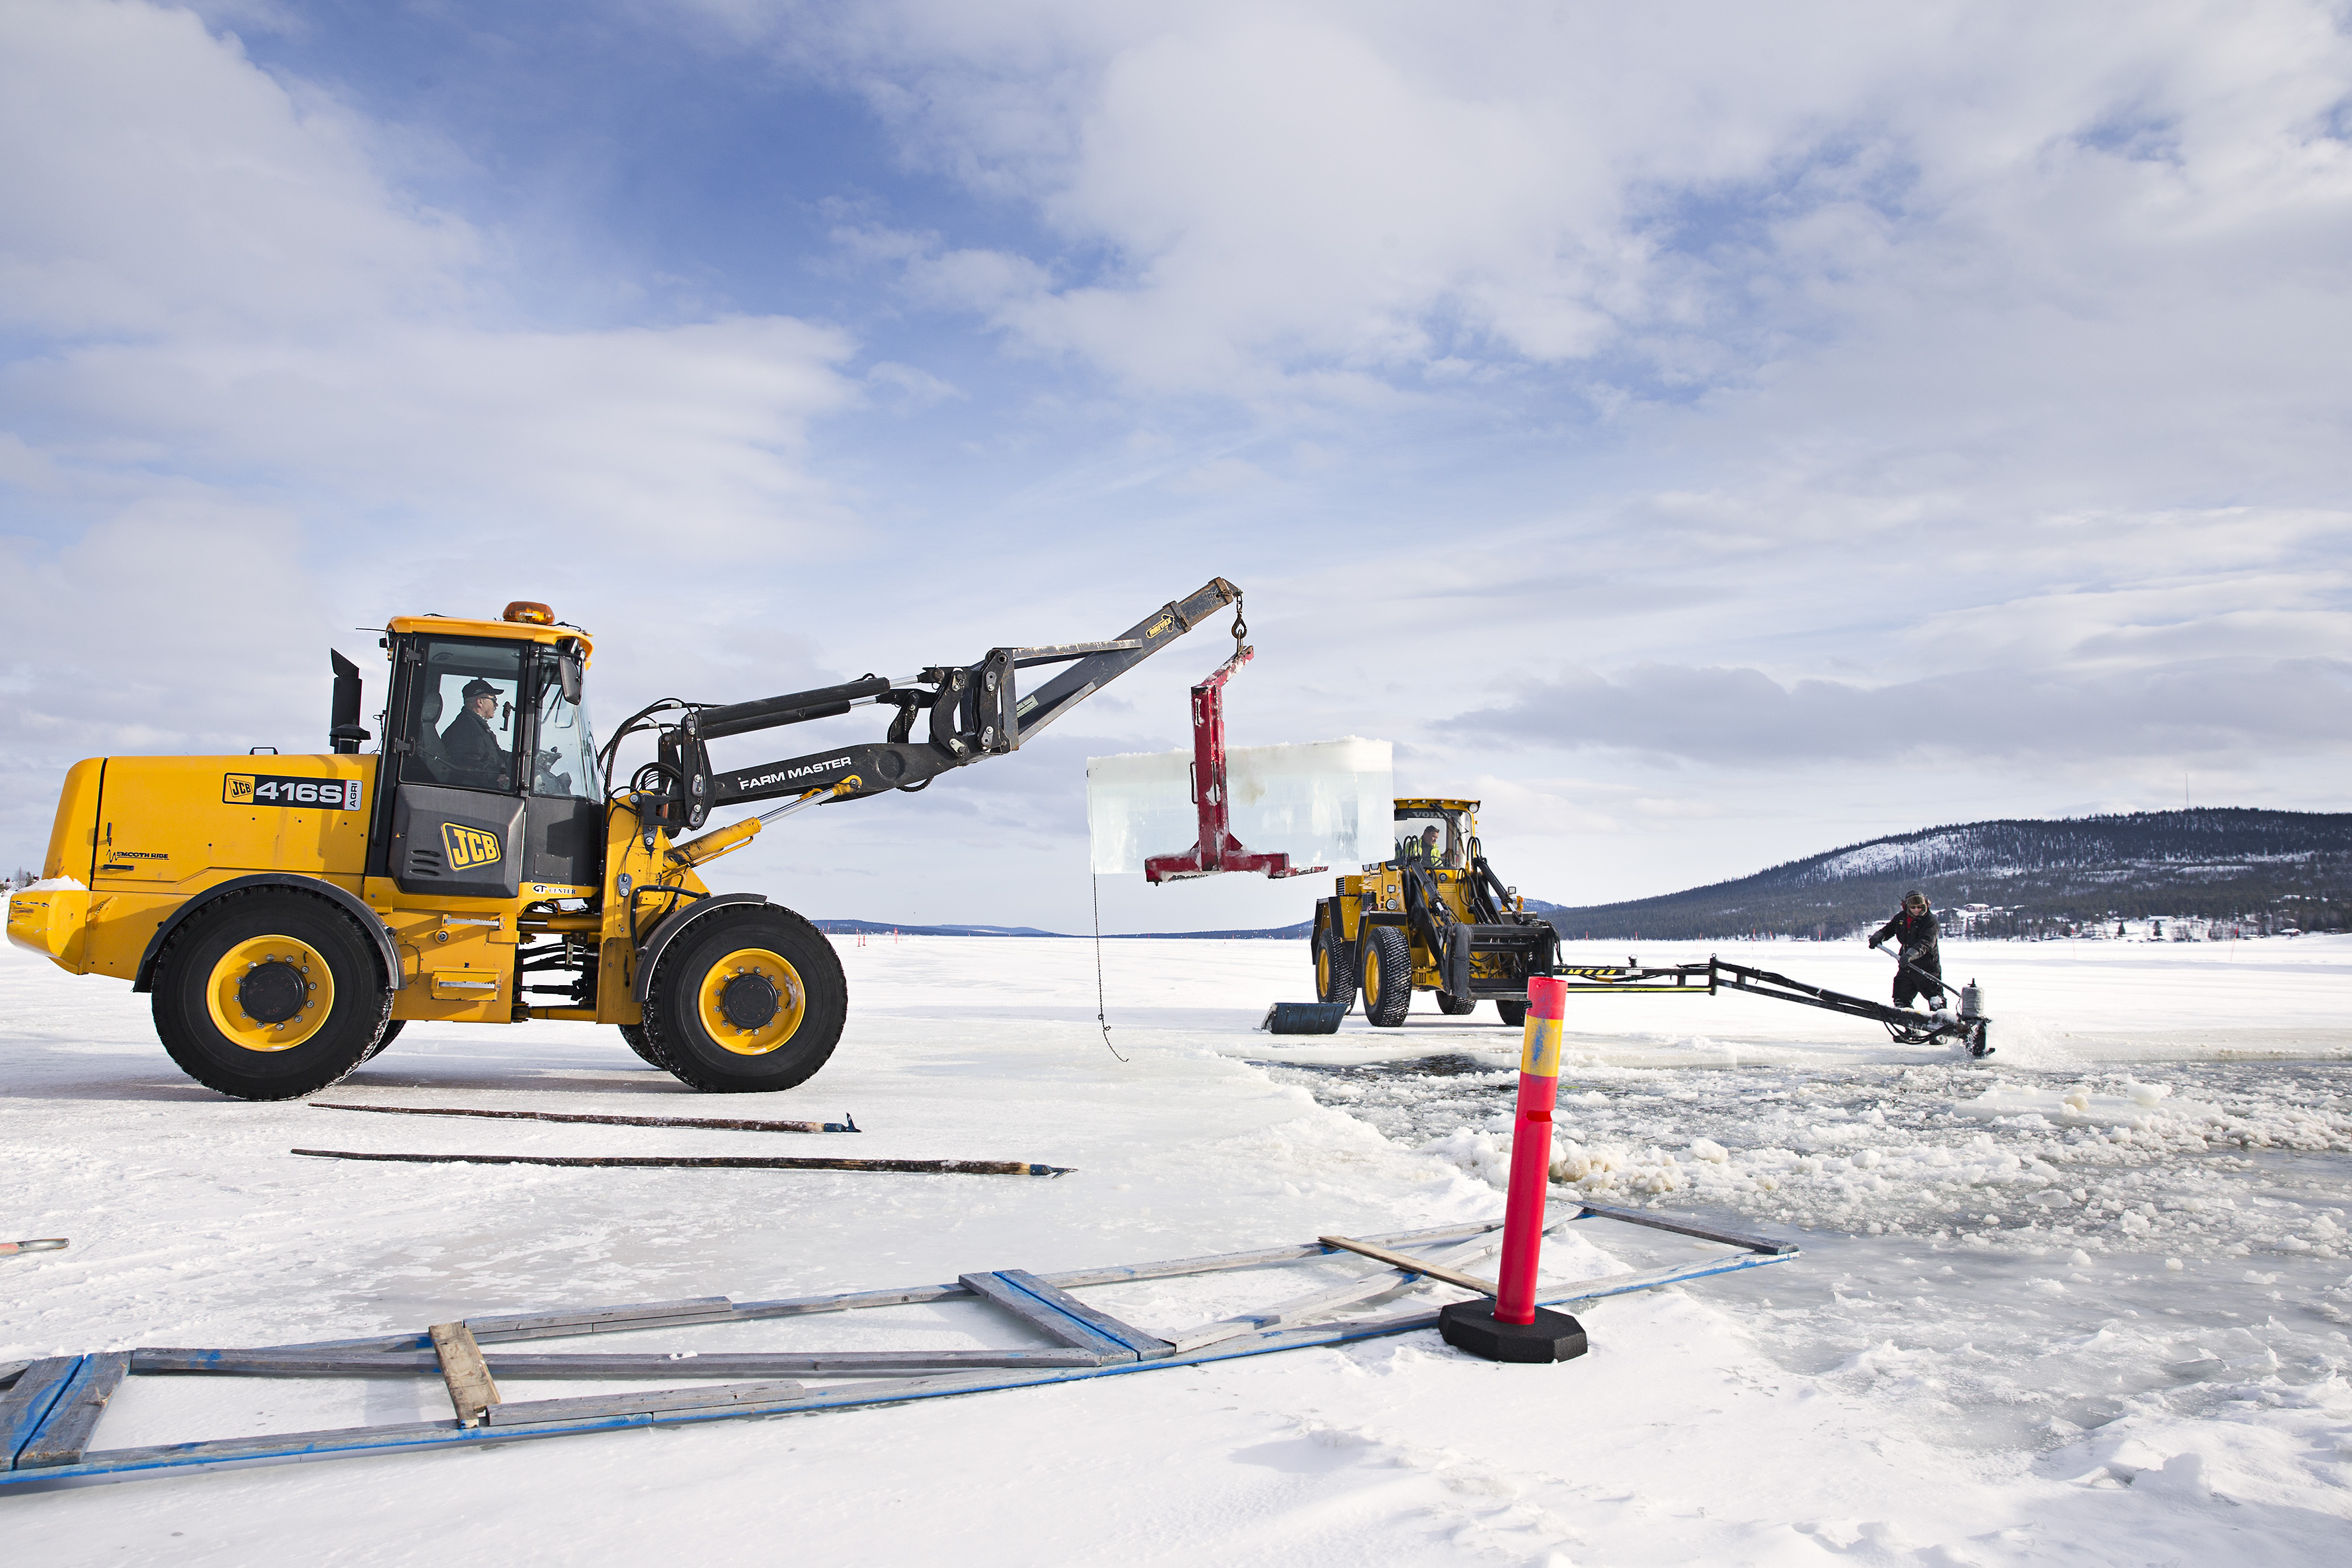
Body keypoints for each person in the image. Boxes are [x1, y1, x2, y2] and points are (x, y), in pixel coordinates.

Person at [1869, 890, 1942, 1010]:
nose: (1917, 910)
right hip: (1906, 968)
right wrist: (1878, 937)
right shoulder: (1901, 918)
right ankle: (1908, 1022)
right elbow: (1888, 930)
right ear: (1906, 907)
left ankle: (1942, 1021)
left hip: (1927, 969)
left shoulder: (1930, 921)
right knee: (1901, 1002)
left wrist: (1910, 955)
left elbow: (1926, 942)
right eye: (1913, 907)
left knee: (1936, 1002)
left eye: (1920, 907)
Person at [439, 677, 510, 789]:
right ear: (480, 702)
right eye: (494, 700)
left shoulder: (478, 726)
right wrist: (496, 777)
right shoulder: (465, 727)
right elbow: (466, 764)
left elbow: (496, 755)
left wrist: (521, 759)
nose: (496, 705)